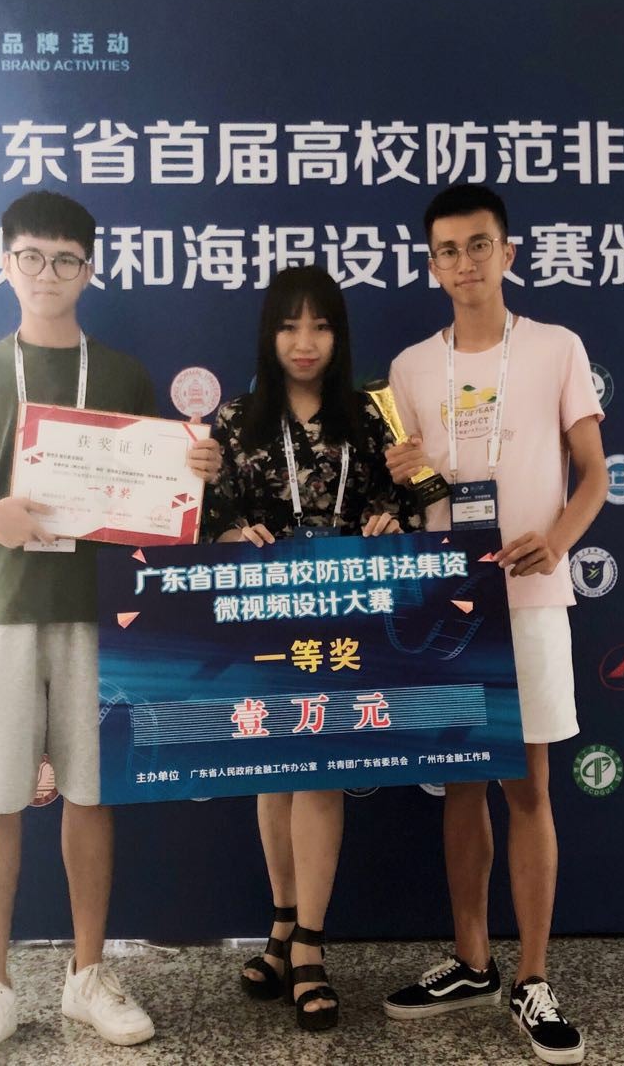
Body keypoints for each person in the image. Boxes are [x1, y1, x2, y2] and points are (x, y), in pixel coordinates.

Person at [0, 191, 223, 1066]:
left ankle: (87, 973)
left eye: (65, 260)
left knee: (91, 792)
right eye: (32, 257)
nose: (47, 274)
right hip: (1, 607)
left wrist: (197, 465)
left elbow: (160, 493)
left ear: (90, 270)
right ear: (4, 262)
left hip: (98, 612)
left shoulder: (120, 373)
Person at [379, 184, 606, 1064]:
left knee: (529, 787)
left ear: (508, 253)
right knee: (459, 784)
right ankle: (473, 960)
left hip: (530, 597)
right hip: (445, 604)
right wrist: (402, 478)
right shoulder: (409, 368)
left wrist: (558, 540)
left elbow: (594, 473)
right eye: (448, 249)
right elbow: (411, 492)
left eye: (479, 245)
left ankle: (533, 976)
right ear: (432, 265)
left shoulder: (555, 347)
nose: (465, 262)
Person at [203, 263, 419, 1031]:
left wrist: (392, 520)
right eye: (290, 325)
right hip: (265, 616)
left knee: (320, 772)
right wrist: (229, 532)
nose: (304, 341)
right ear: (270, 333)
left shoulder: (368, 415)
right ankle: (283, 923)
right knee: (276, 770)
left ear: (339, 335)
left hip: (346, 618)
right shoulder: (237, 419)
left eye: (320, 325)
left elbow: (406, 504)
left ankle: (310, 947)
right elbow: (206, 520)